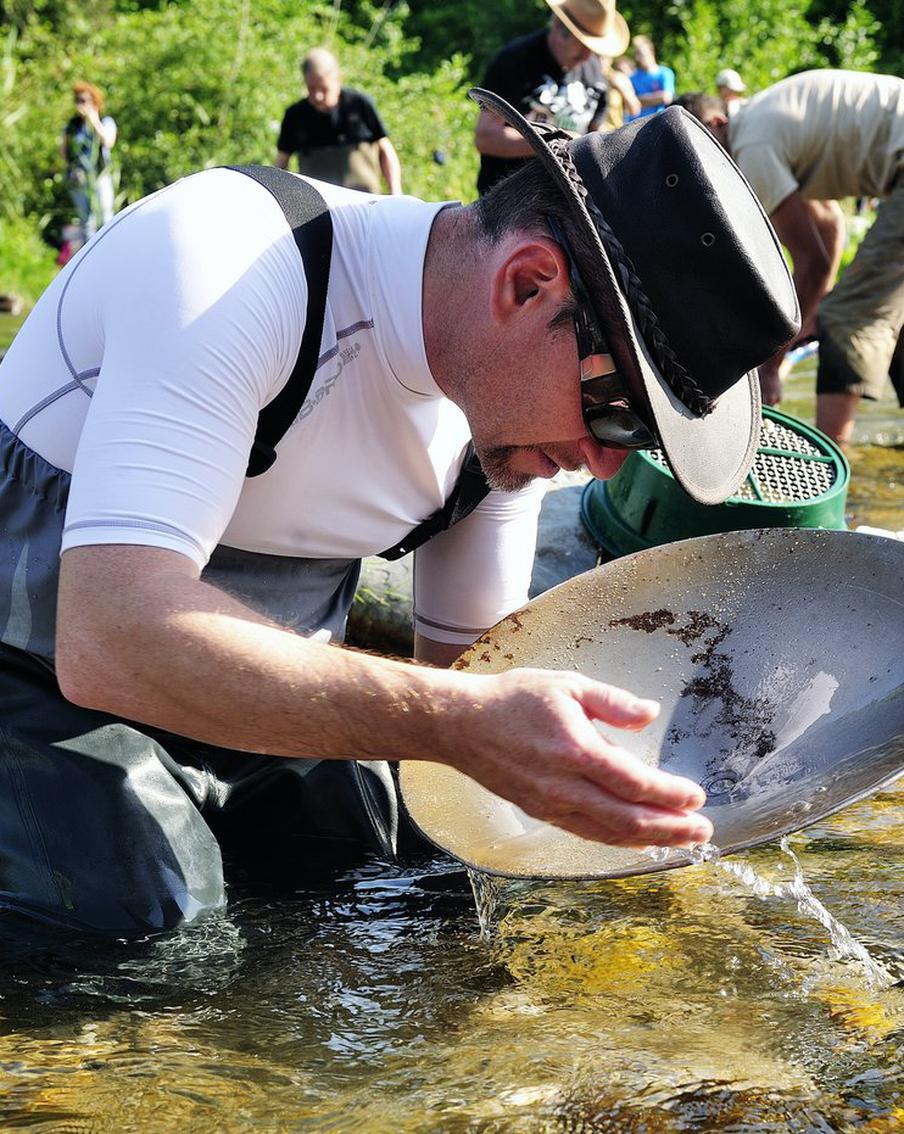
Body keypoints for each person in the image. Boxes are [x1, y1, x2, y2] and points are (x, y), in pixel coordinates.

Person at [0, 90, 798, 938]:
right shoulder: (231, 262)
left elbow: (476, 698)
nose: (602, 463)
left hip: (245, 702)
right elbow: (110, 637)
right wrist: (458, 724)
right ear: (527, 284)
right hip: (36, 672)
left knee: (417, 887)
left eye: (643, 443)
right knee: (152, 932)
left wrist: (624, 796)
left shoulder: (501, 432)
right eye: (616, 413)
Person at [676, 71, 904, 448]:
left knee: (848, 318)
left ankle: (833, 478)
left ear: (716, 124)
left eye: (698, 154)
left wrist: (770, 368)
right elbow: (829, 229)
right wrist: (809, 311)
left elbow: (810, 261)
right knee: (889, 316)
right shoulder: (770, 121)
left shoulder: (752, 145)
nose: (701, 174)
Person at [474, 0, 631, 195]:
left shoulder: (595, 74)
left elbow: (595, 131)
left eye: (593, 47)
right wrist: (557, 143)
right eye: (582, 43)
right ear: (558, 25)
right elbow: (486, 137)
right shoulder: (514, 62)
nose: (587, 56)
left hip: (567, 203)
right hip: (508, 200)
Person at [274, 47, 402, 195]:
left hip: (365, 203)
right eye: (311, 88)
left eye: (324, 88)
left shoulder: (359, 105)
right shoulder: (295, 115)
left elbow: (385, 150)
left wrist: (395, 192)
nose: (318, 96)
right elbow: (281, 163)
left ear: (338, 79)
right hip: (319, 207)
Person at [60, 81, 117, 243]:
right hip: (79, 178)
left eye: (84, 101)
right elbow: (63, 152)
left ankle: (110, 250)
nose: (80, 105)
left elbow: (108, 142)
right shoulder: (72, 126)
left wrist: (93, 120)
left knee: (106, 217)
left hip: (100, 175)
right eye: (77, 100)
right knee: (87, 222)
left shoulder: (106, 121)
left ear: (94, 102)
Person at [626, 35, 674, 121]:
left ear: (651, 52)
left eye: (641, 53)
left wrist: (639, 100)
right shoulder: (632, 78)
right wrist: (656, 97)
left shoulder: (665, 73)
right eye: (636, 54)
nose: (638, 58)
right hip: (635, 123)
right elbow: (629, 103)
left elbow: (666, 97)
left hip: (657, 122)